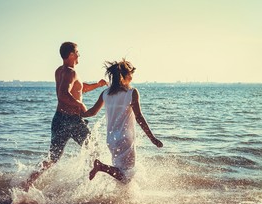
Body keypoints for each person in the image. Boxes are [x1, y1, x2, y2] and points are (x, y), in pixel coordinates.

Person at [24, 42, 107, 190]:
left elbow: (79, 89)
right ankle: (88, 186)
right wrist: (80, 105)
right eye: (77, 52)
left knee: (52, 158)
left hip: (59, 119)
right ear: (71, 55)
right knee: (94, 148)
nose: (79, 55)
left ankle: (27, 183)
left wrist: (98, 85)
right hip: (72, 120)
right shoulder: (71, 72)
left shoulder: (60, 71)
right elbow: (63, 95)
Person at [81, 59, 163, 183]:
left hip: (111, 139)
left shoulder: (106, 93)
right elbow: (139, 117)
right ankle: (101, 166)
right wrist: (152, 138)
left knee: (121, 175)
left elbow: (92, 112)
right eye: (131, 74)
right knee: (127, 177)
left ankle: (119, 199)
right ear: (126, 75)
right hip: (125, 140)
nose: (132, 77)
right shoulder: (131, 92)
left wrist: (78, 114)